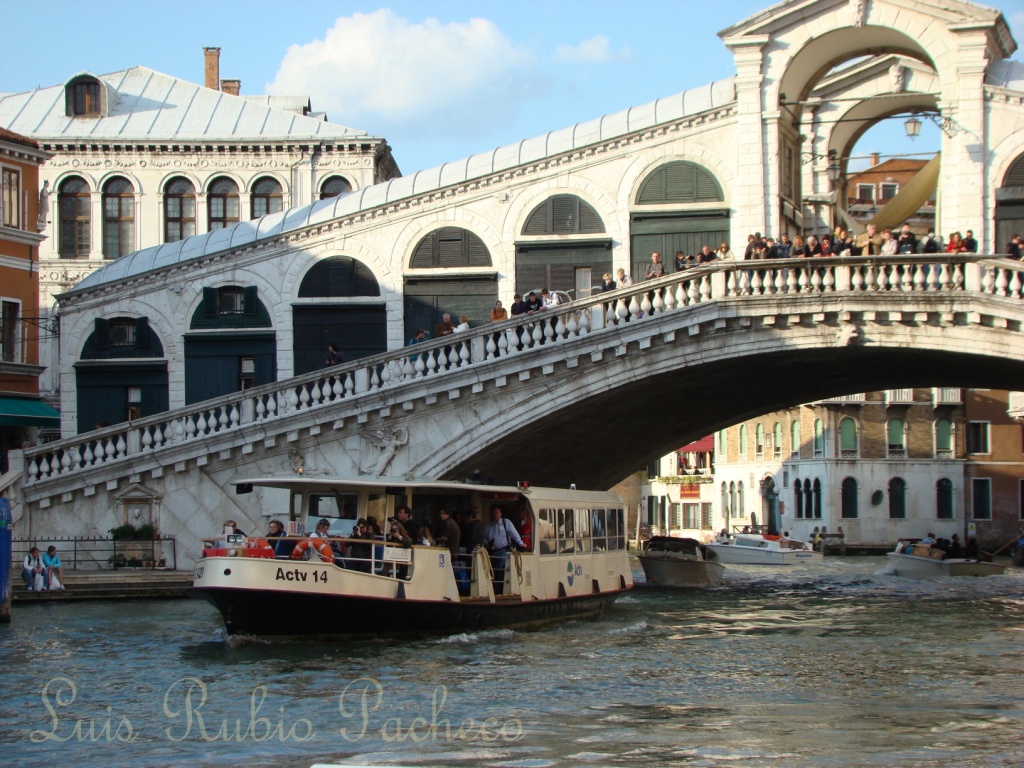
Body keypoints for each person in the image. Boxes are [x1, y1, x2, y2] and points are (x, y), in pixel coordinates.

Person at [483, 506, 525, 595]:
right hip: (492, 552)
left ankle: (499, 591)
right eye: (494, 512)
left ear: (500, 514)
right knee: (492, 571)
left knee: (501, 571)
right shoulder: (489, 526)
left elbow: (514, 533)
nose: (495, 514)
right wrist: (486, 544)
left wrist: (521, 543)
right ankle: (494, 590)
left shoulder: (506, 523)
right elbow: (485, 538)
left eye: (497, 512)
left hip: (502, 551)